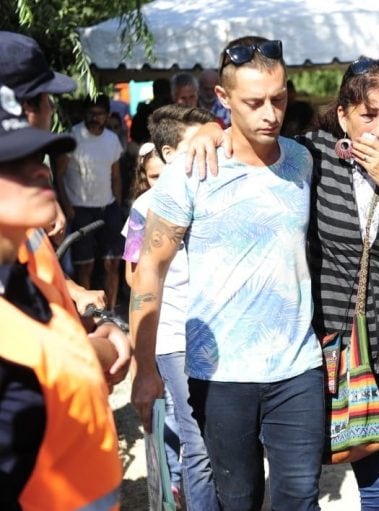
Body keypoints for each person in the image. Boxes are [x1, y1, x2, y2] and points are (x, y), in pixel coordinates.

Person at [187, 54, 379, 510]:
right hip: (343, 354)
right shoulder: (312, 156)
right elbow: (256, 143)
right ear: (342, 115)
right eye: (367, 115)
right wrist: (210, 129)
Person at [130, 36, 325, 510]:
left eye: (278, 99)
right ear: (223, 99)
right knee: (236, 500)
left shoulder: (301, 160)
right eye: (254, 102)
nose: (270, 114)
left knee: (299, 496)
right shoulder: (193, 170)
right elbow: (150, 269)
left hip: (297, 366)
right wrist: (143, 368)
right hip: (220, 375)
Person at [0, 87, 122, 511]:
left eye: (38, 156)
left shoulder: (19, 283)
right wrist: (105, 348)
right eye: (13, 163)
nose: (40, 171)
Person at [0, 30, 130, 388]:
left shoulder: (24, 221)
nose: (51, 110)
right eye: (46, 99)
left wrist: (72, 291)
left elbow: (30, 278)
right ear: (22, 106)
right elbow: (38, 362)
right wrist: (100, 348)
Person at [123, 105, 219, 511]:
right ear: (166, 153)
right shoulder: (146, 207)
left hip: (218, 333)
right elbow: (137, 276)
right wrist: (141, 361)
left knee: (218, 439)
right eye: (195, 144)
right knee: (198, 443)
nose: (207, 150)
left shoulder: (213, 190)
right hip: (175, 337)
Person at [54, 94, 125, 312]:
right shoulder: (73, 137)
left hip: (108, 208)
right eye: (91, 113)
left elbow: (115, 175)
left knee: (112, 263)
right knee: (85, 265)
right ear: (84, 114)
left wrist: (118, 205)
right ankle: (87, 315)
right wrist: (67, 208)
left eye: (100, 114)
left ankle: (111, 312)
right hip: (80, 210)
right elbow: (59, 174)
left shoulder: (112, 139)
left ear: (107, 115)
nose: (95, 118)